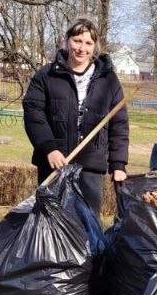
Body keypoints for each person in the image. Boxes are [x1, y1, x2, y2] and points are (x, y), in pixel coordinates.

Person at [22, 17, 128, 214]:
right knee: (51, 225)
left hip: (91, 167)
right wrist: (49, 148)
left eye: (88, 43)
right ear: (67, 41)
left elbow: (119, 124)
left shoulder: (108, 80)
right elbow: (33, 114)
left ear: (95, 47)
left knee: (87, 227)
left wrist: (118, 164)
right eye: (77, 40)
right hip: (54, 164)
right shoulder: (47, 75)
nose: (82, 48)